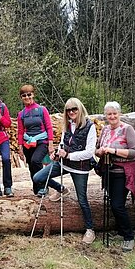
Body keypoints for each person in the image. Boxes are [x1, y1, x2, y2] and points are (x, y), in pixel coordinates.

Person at [33, 98, 96, 244]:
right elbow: (62, 143)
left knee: (82, 200)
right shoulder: (67, 125)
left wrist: (69, 155)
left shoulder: (90, 126)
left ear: (80, 109)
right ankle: (61, 189)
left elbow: (89, 152)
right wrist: (57, 152)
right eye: (68, 110)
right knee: (38, 178)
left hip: (80, 168)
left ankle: (90, 229)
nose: (71, 112)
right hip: (63, 163)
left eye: (74, 109)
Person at [95, 101, 135, 252]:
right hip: (108, 171)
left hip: (123, 173)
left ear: (119, 114)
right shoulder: (105, 130)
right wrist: (101, 152)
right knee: (114, 203)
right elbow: (96, 149)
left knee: (117, 205)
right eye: (109, 114)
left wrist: (113, 151)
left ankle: (129, 236)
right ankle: (121, 231)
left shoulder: (127, 129)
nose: (112, 116)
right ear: (106, 116)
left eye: (115, 113)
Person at [17, 84, 54, 196]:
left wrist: (50, 144)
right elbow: (20, 131)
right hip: (28, 143)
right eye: (24, 95)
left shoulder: (42, 110)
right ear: (21, 97)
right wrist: (20, 148)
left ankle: (43, 186)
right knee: (31, 166)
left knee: (36, 161)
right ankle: (36, 188)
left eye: (29, 94)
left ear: (33, 94)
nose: (27, 97)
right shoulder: (21, 114)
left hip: (41, 141)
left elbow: (49, 127)